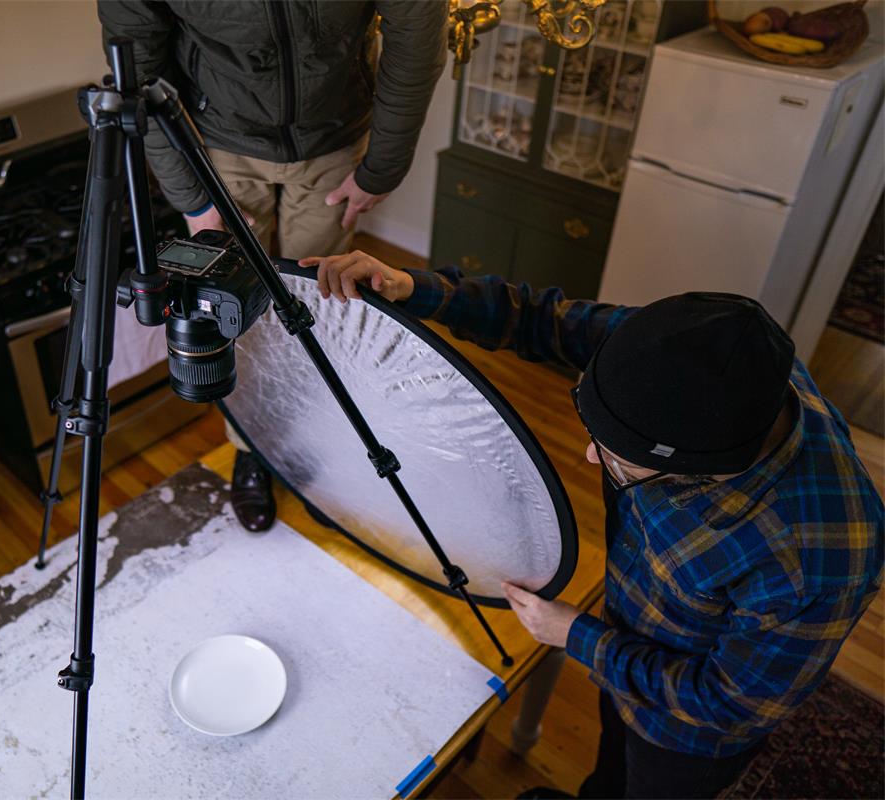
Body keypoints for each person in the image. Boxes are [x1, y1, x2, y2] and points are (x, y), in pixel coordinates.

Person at [300, 250, 884, 800]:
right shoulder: (687, 357)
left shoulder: (819, 559)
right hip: (630, 635)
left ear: (702, 468)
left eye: (620, 458)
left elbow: (725, 703)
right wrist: (417, 289)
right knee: (608, 764)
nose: (587, 458)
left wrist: (576, 635)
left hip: (684, 734)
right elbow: (543, 318)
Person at [98, 1, 447, 532]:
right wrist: (193, 198)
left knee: (320, 311)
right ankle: (253, 449)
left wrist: (384, 167)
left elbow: (417, 39)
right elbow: (137, 63)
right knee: (238, 316)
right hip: (215, 143)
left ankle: (315, 448)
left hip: (331, 139)